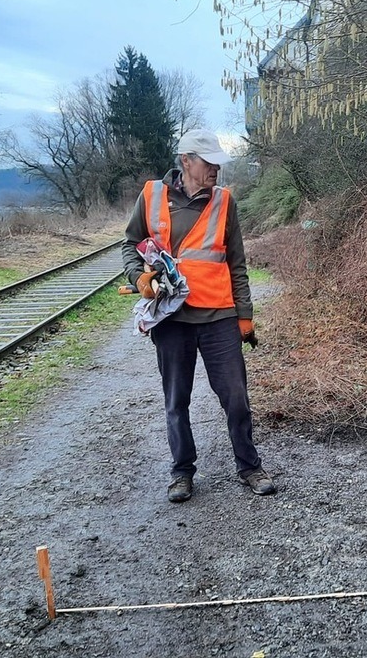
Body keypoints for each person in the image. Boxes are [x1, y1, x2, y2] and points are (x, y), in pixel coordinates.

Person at [122, 129, 276, 503]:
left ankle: (249, 466)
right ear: (186, 161)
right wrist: (139, 276)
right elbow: (130, 245)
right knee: (177, 400)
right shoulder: (151, 196)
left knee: (236, 396)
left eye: (217, 163)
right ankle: (182, 472)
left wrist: (244, 315)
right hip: (171, 318)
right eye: (209, 163)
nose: (215, 170)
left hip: (219, 315)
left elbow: (237, 263)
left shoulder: (224, 202)